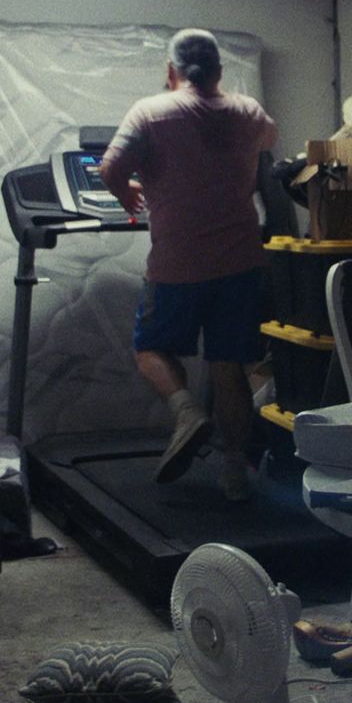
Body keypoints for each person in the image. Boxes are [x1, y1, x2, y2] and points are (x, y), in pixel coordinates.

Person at [99, 29, 278, 502]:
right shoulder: (248, 112)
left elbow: (110, 169)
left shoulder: (151, 111)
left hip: (178, 263)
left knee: (150, 349)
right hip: (241, 262)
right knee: (228, 367)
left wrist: (127, 194)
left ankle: (185, 410)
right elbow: (269, 138)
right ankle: (235, 474)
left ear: (170, 72)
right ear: (219, 71)